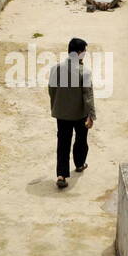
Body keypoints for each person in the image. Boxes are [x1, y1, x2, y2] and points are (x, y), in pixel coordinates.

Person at [48, 37, 95, 189]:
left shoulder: (56, 68)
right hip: (79, 114)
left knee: (63, 142)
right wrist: (91, 115)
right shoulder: (84, 71)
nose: (85, 54)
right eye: (84, 51)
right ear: (80, 52)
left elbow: (52, 90)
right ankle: (80, 164)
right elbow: (87, 95)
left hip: (62, 114)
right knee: (81, 139)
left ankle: (61, 175)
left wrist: (56, 106)